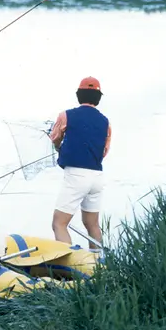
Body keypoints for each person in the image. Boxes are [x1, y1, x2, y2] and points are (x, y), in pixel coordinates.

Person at [48, 76, 111, 252]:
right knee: (92, 225)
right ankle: (98, 267)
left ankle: (67, 268)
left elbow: (55, 139)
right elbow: (104, 151)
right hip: (97, 178)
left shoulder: (65, 115)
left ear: (79, 95)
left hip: (76, 176)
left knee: (59, 224)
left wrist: (59, 147)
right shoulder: (106, 122)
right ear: (98, 98)